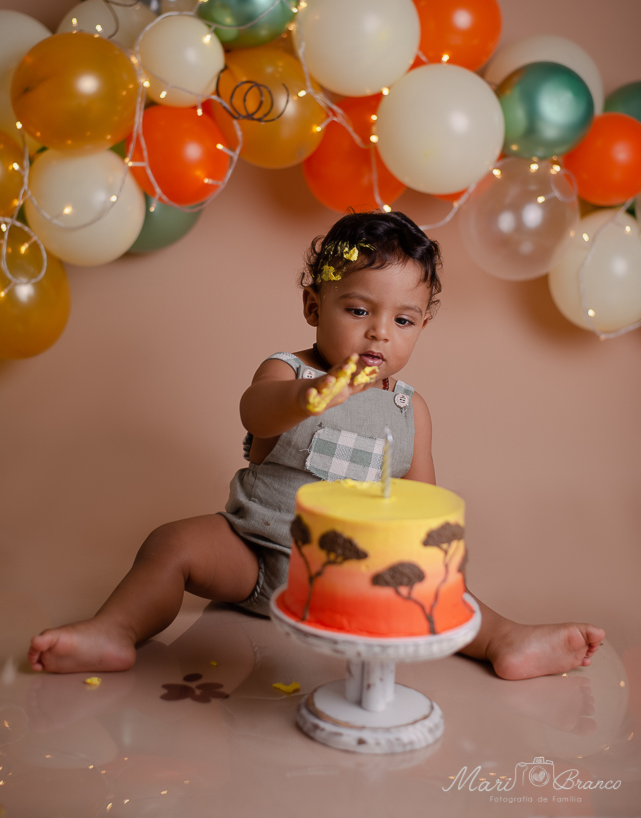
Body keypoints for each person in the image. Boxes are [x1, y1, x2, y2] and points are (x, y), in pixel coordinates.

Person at [28, 211, 604, 679]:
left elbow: (419, 501)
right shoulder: (287, 372)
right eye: (358, 310)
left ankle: (506, 640)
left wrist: (430, 555)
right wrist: (312, 396)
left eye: (404, 320)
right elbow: (255, 411)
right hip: (252, 552)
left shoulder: (410, 410)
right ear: (313, 307)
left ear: (422, 326)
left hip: (350, 577)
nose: (379, 331)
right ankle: (114, 630)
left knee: (441, 585)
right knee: (171, 543)